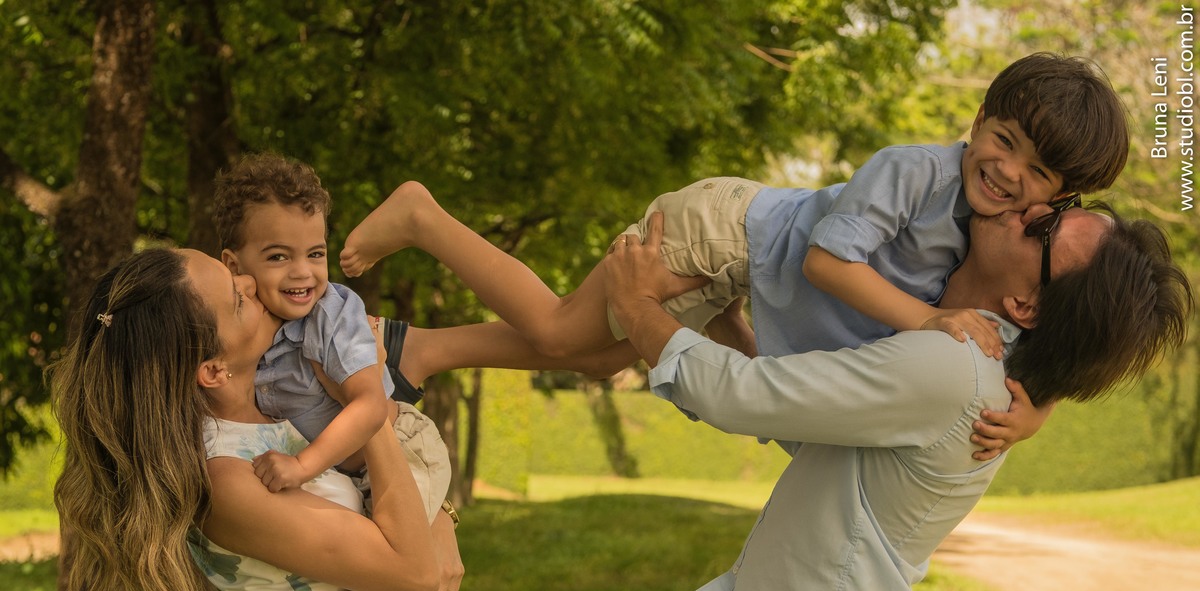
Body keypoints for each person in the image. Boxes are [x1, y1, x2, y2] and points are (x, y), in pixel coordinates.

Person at [600, 206, 1193, 591]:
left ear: (1027, 307)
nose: (1030, 206)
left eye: (1044, 229)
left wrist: (635, 307)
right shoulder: (984, 372)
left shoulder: (952, 366)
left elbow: (743, 397)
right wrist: (727, 320)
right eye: (1060, 207)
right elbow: (811, 429)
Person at [339, 53, 1127, 442]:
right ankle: (422, 218)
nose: (1007, 173)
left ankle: (421, 351)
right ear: (980, 116)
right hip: (723, 231)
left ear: (1058, 195)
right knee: (561, 335)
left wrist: (1038, 415)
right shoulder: (913, 175)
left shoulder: (1005, 233)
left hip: (750, 265)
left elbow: (1059, 331)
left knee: (601, 355)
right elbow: (827, 263)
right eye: (1002, 139)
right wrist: (924, 323)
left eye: (1037, 172)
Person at [50, 247, 466, 591]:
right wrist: (367, 394)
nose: (251, 281)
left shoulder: (276, 413)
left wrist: (442, 520)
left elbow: (394, 509)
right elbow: (412, 574)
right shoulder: (227, 481)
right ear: (213, 369)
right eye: (235, 296)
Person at [212, 153, 505, 591]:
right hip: (353, 471)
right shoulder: (243, 341)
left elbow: (371, 406)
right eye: (278, 256)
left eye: (315, 253)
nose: (302, 273)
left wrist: (302, 466)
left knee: (413, 577)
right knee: (398, 574)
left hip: (397, 439)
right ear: (234, 268)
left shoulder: (332, 314)